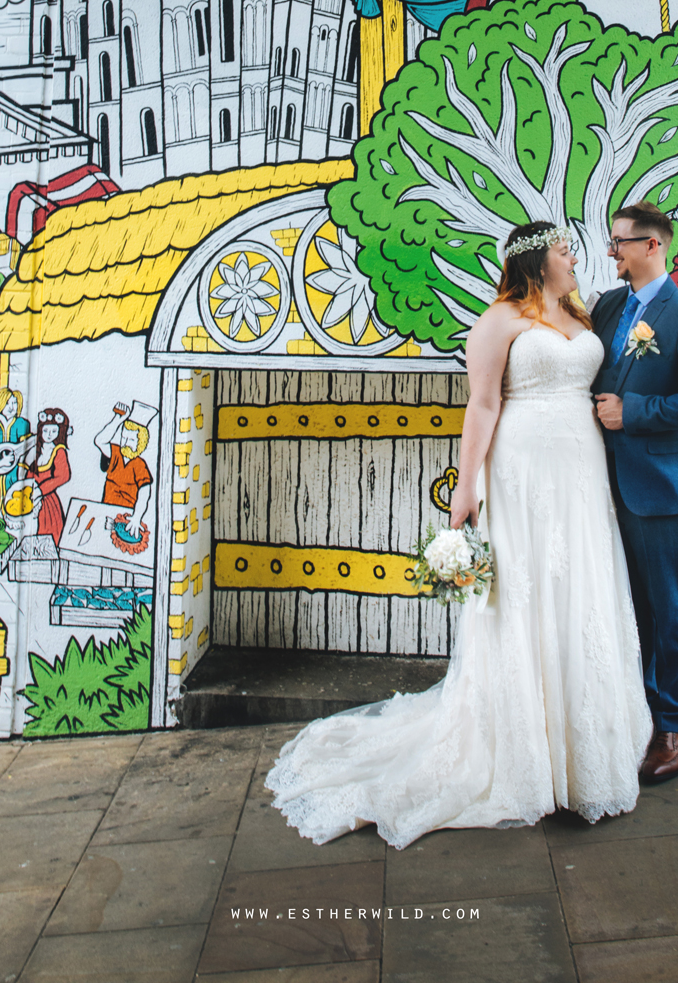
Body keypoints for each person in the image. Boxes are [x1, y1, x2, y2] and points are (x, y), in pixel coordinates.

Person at [267, 222, 652, 848]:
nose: (573, 257)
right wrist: (465, 486)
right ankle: (524, 752)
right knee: (524, 594)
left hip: (581, 469)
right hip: (522, 468)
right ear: (535, 261)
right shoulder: (500, 319)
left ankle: (583, 754)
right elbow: (482, 405)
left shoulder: (581, 313)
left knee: (580, 585)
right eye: (563, 250)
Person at [592, 200, 678, 783]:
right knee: (622, 603)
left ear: (653, 246)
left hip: (658, 483)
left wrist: (636, 410)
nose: (612, 250)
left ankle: (675, 726)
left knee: (667, 606)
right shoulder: (608, 305)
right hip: (599, 481)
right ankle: (633, 713)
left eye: (621, 241)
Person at [94, 406, 152, 533]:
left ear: (140, 443)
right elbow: (99, 441)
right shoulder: (115, 453)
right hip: (106, 510)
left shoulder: (139, 465)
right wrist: (118, 419)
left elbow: (144, 493)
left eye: (131, 440)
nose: (125, 443)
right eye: (124, 437)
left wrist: (137, 517)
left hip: (127, 517)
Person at [0, 384, 31, 517]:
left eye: (14, 403)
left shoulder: (22, 425)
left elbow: (29, 450)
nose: (11, 407)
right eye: (7, 403)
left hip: (15, 479)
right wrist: (0, 463)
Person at [27, 408, 73, 543]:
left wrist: (40, 490)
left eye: (53, 431)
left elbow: (63, 476)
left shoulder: (58, 451)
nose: (48, 435)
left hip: (47, 501)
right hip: (31, 498)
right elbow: (30, 471)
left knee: (48, 535)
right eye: (46, 431)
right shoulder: (37, 449)